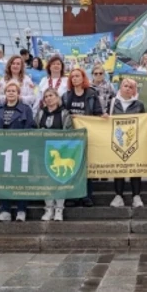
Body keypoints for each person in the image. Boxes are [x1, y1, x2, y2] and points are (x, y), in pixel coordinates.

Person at [0, 81, 36, 222]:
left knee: (20, 180)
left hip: (20, 151)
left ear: (18, 93)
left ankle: (21, 210)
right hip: (3, 151)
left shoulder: (26, 109)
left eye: (13, 91)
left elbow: (31, 128)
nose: (11, 93)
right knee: (4, 180)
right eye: (8, 91)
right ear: (5, 94)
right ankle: (5, 210)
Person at [62, 68, 103, 207]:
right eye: (72, 76)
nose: (74, 78)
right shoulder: (66, 96)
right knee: (71, 166)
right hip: (71, 136)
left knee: (86, 166)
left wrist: (102, 117)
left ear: (83, 77)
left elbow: (98, 112)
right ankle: (72, 196)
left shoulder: (91, 94)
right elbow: (62, 113)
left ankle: (86, 196)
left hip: (87, 134)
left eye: (77, 76)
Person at [35, 88, 74, 221]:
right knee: (46, 181)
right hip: (44, 152)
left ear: (57, 97)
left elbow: (69, 132)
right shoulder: (40, 113)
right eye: (46, 96)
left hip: (60, 151)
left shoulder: (64, 114)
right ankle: (48, 208)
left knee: (59, 180)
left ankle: (59, 209)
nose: (48, 98)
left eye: (51, 95)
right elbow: (34, 131)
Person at [108, 78, 146, 209]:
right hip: (117, 141)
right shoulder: (112, 103)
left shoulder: (139, 105)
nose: (128, 88)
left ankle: (136, 196)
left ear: (135, 90)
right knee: (118, 169)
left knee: (135, 169)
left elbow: (143, 123)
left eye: (131, 87)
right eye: (125, 86)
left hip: (133, 141)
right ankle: (118, 196)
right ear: (120, 88)